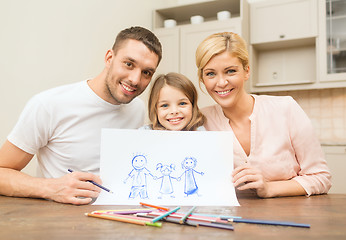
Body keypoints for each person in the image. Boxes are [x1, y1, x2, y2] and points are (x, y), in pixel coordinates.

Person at [0, 26, 162, 205]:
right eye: (129, 64)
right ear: (109, 58)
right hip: (60, 224)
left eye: (146, 72)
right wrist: (51, 188)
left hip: (118, 220)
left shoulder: (137, 109)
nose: (135, 80)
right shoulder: (48, 105)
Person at [195, 32, 331, 198]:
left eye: (230, 71)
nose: (221, 82)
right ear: (202, 79)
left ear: (246, 71)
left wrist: (269, 189)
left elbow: (321, 177)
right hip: (231, 220)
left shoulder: (286, 109)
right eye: (210, 74)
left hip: (290, 217)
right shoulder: (200, 122)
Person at [141, 72, 205, 131]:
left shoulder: (201, 133)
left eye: (182, 103)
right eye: (165, 105)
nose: (174, 111)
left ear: (193, 106)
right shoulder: (144, 133)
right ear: (155, 109)